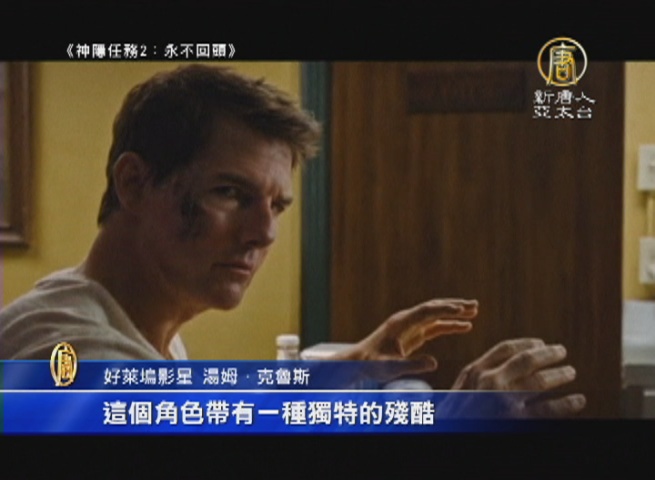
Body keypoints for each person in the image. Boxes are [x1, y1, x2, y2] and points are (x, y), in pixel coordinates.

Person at [0, 65, 585, 417]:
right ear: (134, 183)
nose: (264, 232)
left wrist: (347, 369)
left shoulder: (125, 320)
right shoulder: (72, 353)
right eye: (230, 193)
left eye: (276, 205)